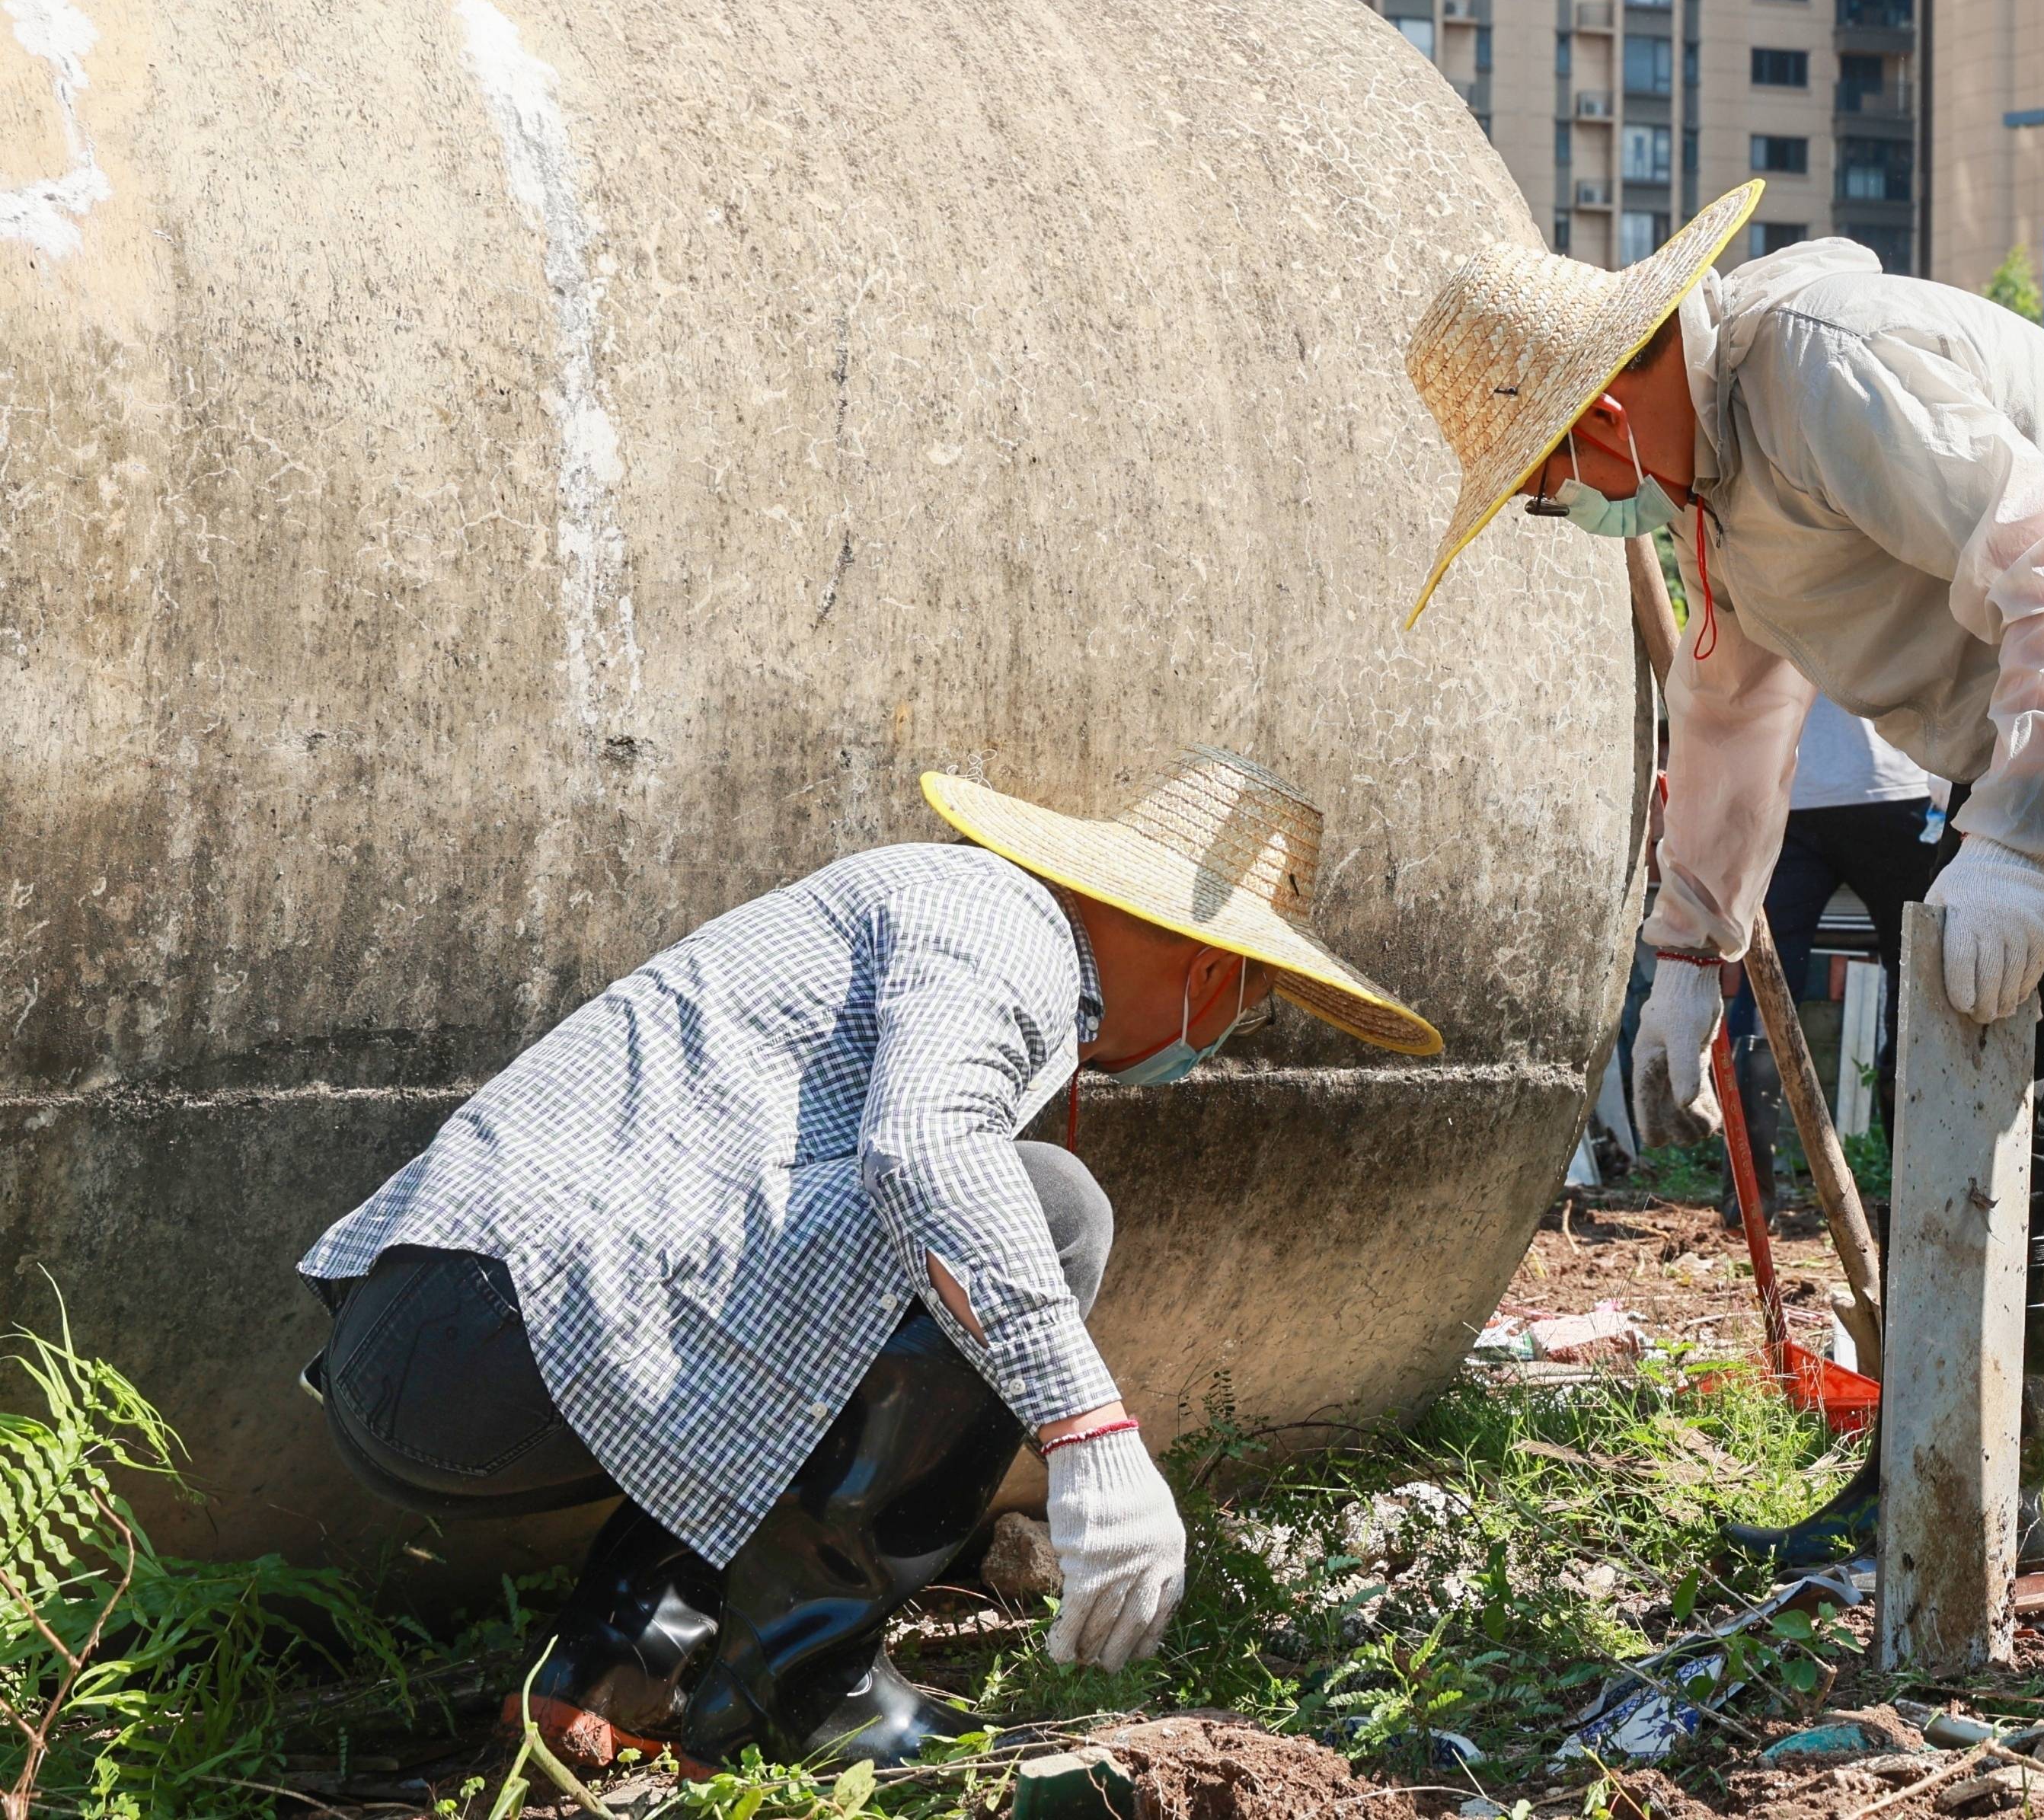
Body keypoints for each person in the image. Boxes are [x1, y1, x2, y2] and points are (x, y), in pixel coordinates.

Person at [1401, 191, 2044, 1576]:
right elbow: (1734, 710)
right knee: (1952, 1088)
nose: (1559, 512)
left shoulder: (1819, 372)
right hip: (2037, 710)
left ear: (1606, 429)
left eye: (1544, 485)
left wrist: (2022, 831)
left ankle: (1979, 1522)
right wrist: (1687, 956)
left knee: (2007, 1101)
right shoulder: (1713, 491)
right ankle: (1933, 1491)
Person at [297, 750, 1440, 1768]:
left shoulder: (938, 907)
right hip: (502, 1330)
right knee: (1045, 1211)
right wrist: (1091, 1434)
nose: (1224, 1037)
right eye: (1248, 1007)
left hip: (449, 1335)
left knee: (928, 1231)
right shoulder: (1010, 925)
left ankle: (616, 1667)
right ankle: (800, 1682)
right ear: (1209, 971)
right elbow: (927, 1151)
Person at [1713, 694, 1943, 1220]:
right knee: (1914, 983)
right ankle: (1923, 1192)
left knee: (1766, 983)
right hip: (1896, 786)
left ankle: (1746, 1197)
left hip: (1795, 788)